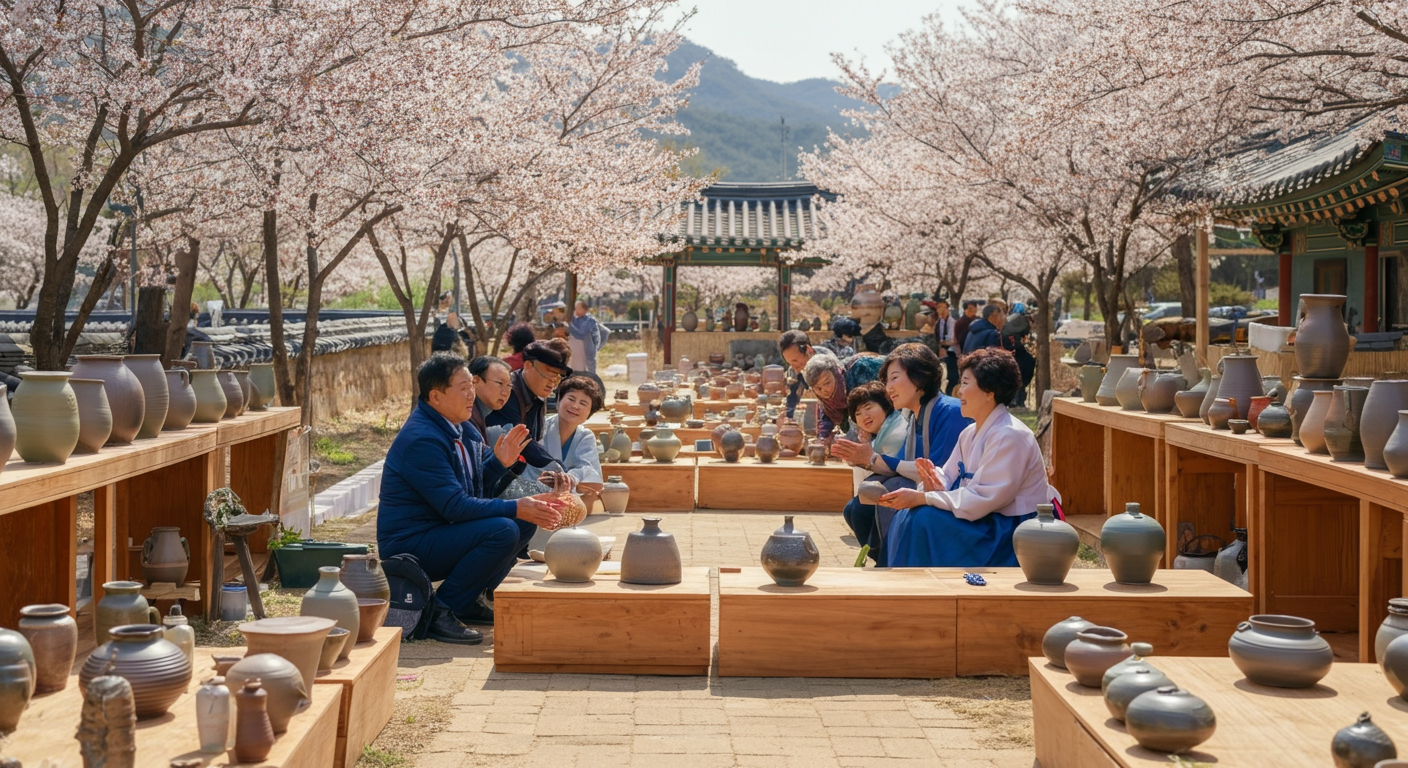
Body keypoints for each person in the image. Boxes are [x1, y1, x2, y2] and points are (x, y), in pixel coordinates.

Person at [377, 354, 565, 644]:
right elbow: (455, 506)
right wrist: (516, 507)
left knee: (526, 513)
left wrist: (501, 464)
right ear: (436, 396)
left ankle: (470, 597)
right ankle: (441, 610)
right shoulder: (422, 439)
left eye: (471, 386)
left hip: (443, 530)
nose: (471, 394)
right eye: (463, 387)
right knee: (504, 528)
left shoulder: (461, 425)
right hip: (412, 543)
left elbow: (477, 485)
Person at [879, 348, 1060, 568]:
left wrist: (926, 498)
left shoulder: (1011, 435)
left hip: (1011, 530)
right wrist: (934, 481)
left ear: (989, 391)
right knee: (908, 514)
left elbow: (984, 498)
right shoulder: (969, 433)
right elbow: (948, 476)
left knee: (923, 519)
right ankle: (904, 585)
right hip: (986, 519)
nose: (959, 392)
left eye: (965, 383)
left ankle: (918, 589)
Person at [830, 343, 969, 566]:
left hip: (958, 501)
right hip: (931, 491)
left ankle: (892, 563)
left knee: (885, 496)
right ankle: (886, 560)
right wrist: (867, 461)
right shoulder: (914, 416)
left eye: (894, 378)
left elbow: (935, 475)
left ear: (920, 376)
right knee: (858, 505)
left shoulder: (949, 411)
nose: (888, 388)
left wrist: (872, 459)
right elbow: (903, 465)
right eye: (886, 381)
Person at [838, 382, 911, 560]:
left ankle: (884, 559)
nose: (864, 416)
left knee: (859, 509)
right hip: (893, 483)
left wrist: (865, 460)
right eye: (858, 413)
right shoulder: (884, 431)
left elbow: (892, 468)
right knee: (853, 508)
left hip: (907, 486)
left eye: (868, 407)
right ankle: (880, 557)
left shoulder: (896, 429)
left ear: (885, 405)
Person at [487, 338, 573, 470]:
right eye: (548, 374)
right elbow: (521, 441)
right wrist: (554, 466)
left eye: (558, 377)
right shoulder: (508, 392)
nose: (553, 382)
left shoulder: (537, 393)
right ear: (528, 365)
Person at [535, 375, 606, 509]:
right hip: (533, 495)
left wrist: (571, 478)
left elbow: (590, 471)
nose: (575, 406)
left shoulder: (585, 435)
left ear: (589, 413)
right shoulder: (539, 426)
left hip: (566, 501)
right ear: (559, 401)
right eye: (571, 399)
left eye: (583, 403)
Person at [779, 329, 823, 418]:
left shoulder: (826, 365)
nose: (794, 367)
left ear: (809, 351)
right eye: (789, 363)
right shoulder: (795, 369)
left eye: (795, 361)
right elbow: (792, 397)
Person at [1000, 302, 1036, 408]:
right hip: (1019, 355)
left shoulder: (1009, 321)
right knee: (1021, 380)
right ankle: (1018, 401)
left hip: (1012, 354)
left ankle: (1015, 401)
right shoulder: (1021, 321)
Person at [468, 356, 514, 436]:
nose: (505, 393)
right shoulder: (466, 415)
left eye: (509, 385)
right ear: (475, 381)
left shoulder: (482, 413)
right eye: (500, 383)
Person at [567, 300, 611, 375]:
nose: (575, 310)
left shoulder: (589, 320)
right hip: (581, 351)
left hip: (588, 351)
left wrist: (597, 347)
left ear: (584, 310)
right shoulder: (576, 319)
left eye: (578, 308)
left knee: (590, 370)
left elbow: (580, 333)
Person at [930, 299, 959, 395]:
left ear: (948, 309)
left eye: (943, 308)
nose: (941, 310)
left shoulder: (952, 321)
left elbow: (952, 340)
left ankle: (950, 394)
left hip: (952, 351)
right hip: (942, 351)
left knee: (952, 377)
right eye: (939, 308)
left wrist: (943, 346)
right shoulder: (939, 322)